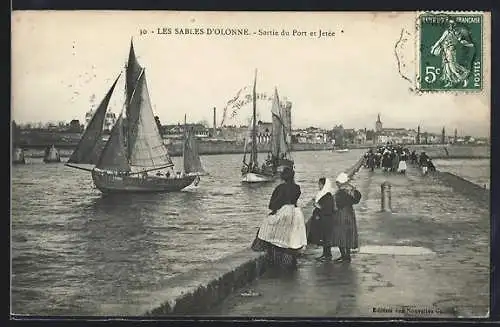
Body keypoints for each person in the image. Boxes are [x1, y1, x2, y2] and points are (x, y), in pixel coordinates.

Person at [251, 167, 307, 270]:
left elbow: (273, 205)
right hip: (296, 212)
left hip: (284, 212)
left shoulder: (280, 188)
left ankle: (266, 249)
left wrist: (274, 211)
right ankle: (290, 260)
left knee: (267, 225)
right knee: (291, 238)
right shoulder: (297, 187)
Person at [332, 172, 361, 263]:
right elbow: (357, 199)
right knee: (348, 235)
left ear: (340, 183)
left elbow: (337, 205)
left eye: (337, 182)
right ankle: (347, 256)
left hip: (341, 214)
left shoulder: (340, 193)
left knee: (340, 234)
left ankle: (344, 256)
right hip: (350, 213)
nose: (336, 184)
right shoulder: (350, 191)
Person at [308, 177, 336, 261]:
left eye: (320, 184)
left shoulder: (327, 195)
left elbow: (327, 208)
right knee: (324, 237)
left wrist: (317, 205)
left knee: (326, 237)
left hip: (326, 219)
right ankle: (325, 254)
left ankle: (327, 255)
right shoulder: (324, 194)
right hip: (323, 219)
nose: (318, 186)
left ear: (324, 185)